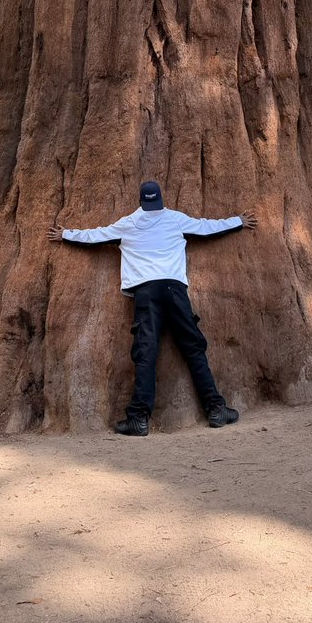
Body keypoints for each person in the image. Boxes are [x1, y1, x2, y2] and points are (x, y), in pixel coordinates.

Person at [48, 180, 257, 436]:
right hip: (174, 290)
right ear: (159, 199)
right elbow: (206, 227)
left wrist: (66, 234)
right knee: (193, 348)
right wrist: (237, 221)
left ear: (141, 201)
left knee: (146, 354)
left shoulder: (128, 223)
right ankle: (215, 408)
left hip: (146, 295)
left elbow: (96, 235)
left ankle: (139, 419)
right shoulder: (175, 219)